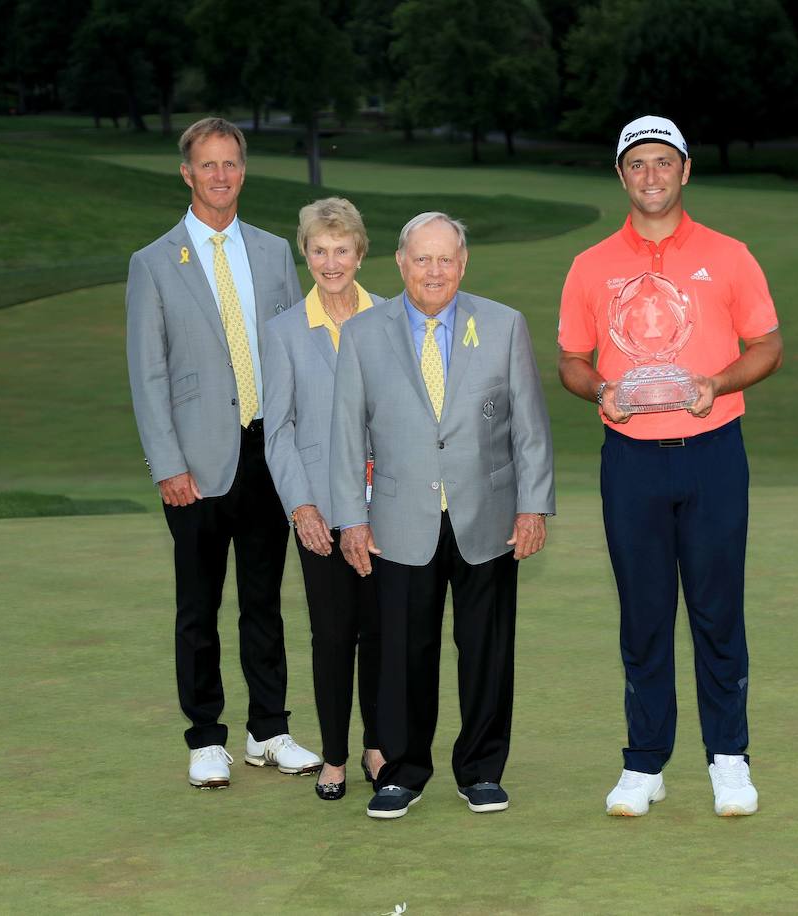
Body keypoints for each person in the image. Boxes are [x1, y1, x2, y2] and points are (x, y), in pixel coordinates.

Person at [557, 116, 784, 817]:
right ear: (621, 176)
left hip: (713, 452)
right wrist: (601, 390)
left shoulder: (731, 255)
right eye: (637, 165)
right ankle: (645, 762)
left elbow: (768, 345)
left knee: (717, 612)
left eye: (663, 163)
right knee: (644, 614)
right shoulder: (591, 265)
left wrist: (718, 383)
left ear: (685, 170)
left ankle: (729, 758)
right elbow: (571, 359)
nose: (650, 176)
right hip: (630, 460)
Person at [329, 212, 555, 820]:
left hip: (488, 516)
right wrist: (352, 518)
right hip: (400, 518)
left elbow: (530, 430)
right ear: (401, 264)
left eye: (446, 259)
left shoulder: (504, 325)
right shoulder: (363, 332)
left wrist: (534, 506)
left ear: (463, 264)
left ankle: (481, 770)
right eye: (422, 259)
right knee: (403, 650)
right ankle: (402, 772)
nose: (434, 271)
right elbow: (347, 436)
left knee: (486, 648)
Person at [125, 117, 321, 789]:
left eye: (230, 163)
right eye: (207, 165)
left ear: (244, 170)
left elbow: (295, 353)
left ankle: (269, 730)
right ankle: (206, 735)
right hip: (196, 462)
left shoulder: (271, 254)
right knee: (198, 604)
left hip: (268, 452)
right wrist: (167, 464)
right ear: (187, 174)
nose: (219, 175)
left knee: (264, 601)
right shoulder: (153, 263)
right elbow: (147, 374)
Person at [261, 198, 386, 801]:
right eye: (319, 250)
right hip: (318, 512)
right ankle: (335, 754)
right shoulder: (284, 331)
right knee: (333, 633)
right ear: (304, 254)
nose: (330, 262)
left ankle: (378, 745)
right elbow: (277, 427)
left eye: (342, 250)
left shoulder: (392, 318)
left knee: (383, 631)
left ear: (360, 254)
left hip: (387, 507)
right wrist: (300, 507)